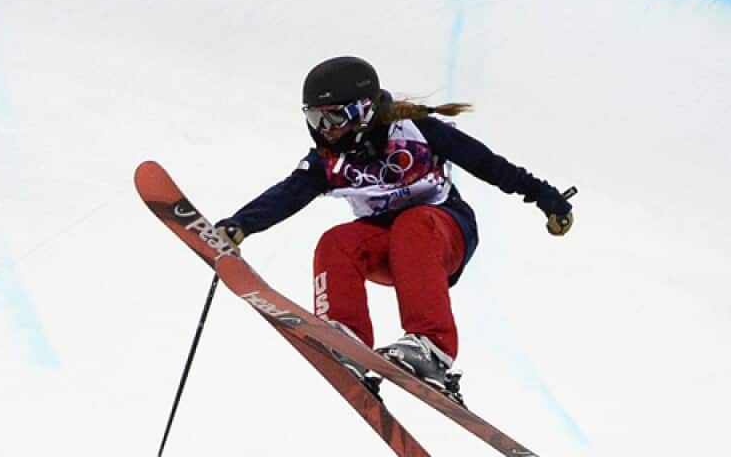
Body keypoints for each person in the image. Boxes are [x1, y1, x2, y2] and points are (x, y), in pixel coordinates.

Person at [215, 56, 574, 404]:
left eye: (335, 117)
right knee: (337, 242)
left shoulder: (418, 131)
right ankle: (346, 341)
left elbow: (489, 165)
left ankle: (433, 349)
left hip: (444, 231)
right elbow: (286, 195)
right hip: (388, 246)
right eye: (315, 118)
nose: (326, 129)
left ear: (363, 110)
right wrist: (240, 225)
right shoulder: (327, 161)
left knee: (412, 224)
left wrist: (547, 199)